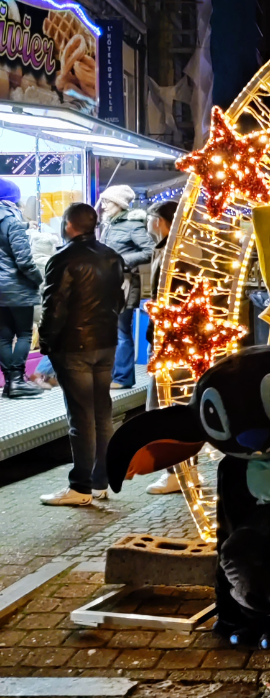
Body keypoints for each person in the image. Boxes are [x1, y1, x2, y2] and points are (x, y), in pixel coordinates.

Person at [38, 202, 125, 506]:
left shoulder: (62, 259)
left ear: (68, 226)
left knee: (81, 417)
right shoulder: (112, 257)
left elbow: (54, 306)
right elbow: (120, 299)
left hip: (74, 347)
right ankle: (101, 482)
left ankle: (80, 487)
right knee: (102, 412)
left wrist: (47, 344)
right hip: (106, 343)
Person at [97, 185, 154, 390]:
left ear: (119, 203)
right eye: (102, 201)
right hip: (108, 283)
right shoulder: (108, 224)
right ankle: (114, 374)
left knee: (121, 331)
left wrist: (120, 260)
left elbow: (149, 250)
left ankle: (123, 377)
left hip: (125, 284)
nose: (103, 206)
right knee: (110, 331)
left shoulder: (132, 225)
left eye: (107, 202)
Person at [142, 199, 182, 495]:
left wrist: (158, 312)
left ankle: (176, 473)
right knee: (166, 405)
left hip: (173, 340)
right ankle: (177, 471)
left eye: (149, 218)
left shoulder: (175, 252)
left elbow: (177, 297)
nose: (146, 223)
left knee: (166, 405)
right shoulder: (166, 247)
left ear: (160, 220)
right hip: (166, 337)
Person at [0, 178, 43, 398]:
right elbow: (24, 261)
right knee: (24, 333)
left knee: (3, 337)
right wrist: (38, 278)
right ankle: (17, 381)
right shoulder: (12, 220)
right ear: (12, 199)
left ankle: (9, 383)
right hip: (16, 287)